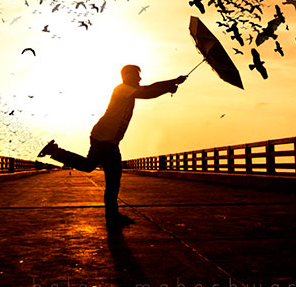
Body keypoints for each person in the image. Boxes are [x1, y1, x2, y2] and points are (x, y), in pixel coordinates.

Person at [38, 64, 186, 226]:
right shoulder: (122, 89)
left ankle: (55, 151)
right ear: (128, 76)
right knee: (112, 177)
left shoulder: (128, 91)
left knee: (94, 168)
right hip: (104, 139)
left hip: (104, 138)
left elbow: (149, 90)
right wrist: (171, 84)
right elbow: (149, 91)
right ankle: (112, 215)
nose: (140, 79)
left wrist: (171, 85)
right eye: (137, 76)